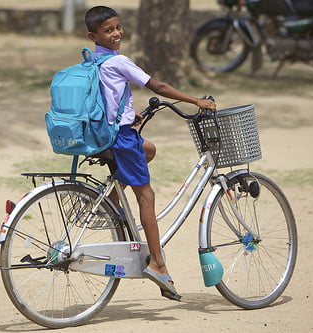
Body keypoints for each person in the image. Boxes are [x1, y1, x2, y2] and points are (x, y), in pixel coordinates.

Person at [84, 6, 216, 301]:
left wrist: (130, 116)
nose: (116, 33)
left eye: (118, 27)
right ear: (94, 35)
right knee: (147, 196)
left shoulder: (93, 59)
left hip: (108, 132)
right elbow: (158, 85)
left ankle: (114, 203)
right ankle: (157, 262)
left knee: (149, 149)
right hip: (121, 137)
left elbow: (108, 97)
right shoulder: (119, 62)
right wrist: (196, 100)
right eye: (108, 30)